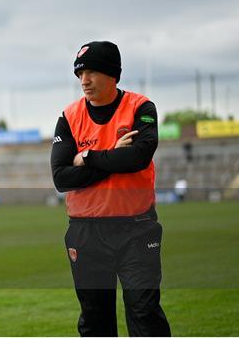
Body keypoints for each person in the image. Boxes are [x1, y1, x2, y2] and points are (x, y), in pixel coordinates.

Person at [50, 41, 171, 337]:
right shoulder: (69, 117)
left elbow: (137, 158)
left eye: (91, 72)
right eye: (80, 74)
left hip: (136, 230)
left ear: (113, 74)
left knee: (144, 312)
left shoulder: (140, 108)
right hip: (85, 232)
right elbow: (62, 178)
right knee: (94, 319)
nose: (84, 81)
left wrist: (88, 157)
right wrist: (111, 156)